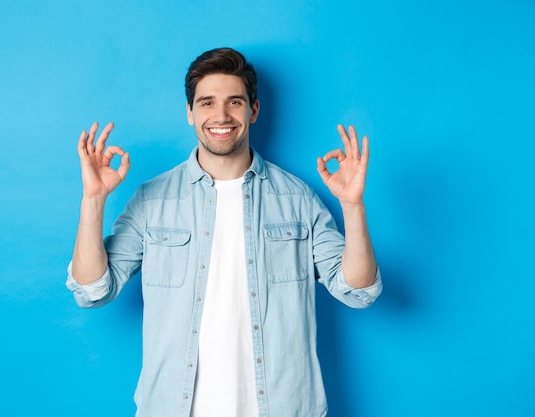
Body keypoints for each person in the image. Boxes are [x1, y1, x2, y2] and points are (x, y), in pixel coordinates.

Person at [66, 47, 382, 417]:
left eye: (234, 101)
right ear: (189, 113)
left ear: (254, 110)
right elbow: (92, 291)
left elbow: (359, 292)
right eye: (206, 103)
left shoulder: (297, 199)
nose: (220, 115)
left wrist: (353, 206)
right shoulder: (152, 200)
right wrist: (93, 199)